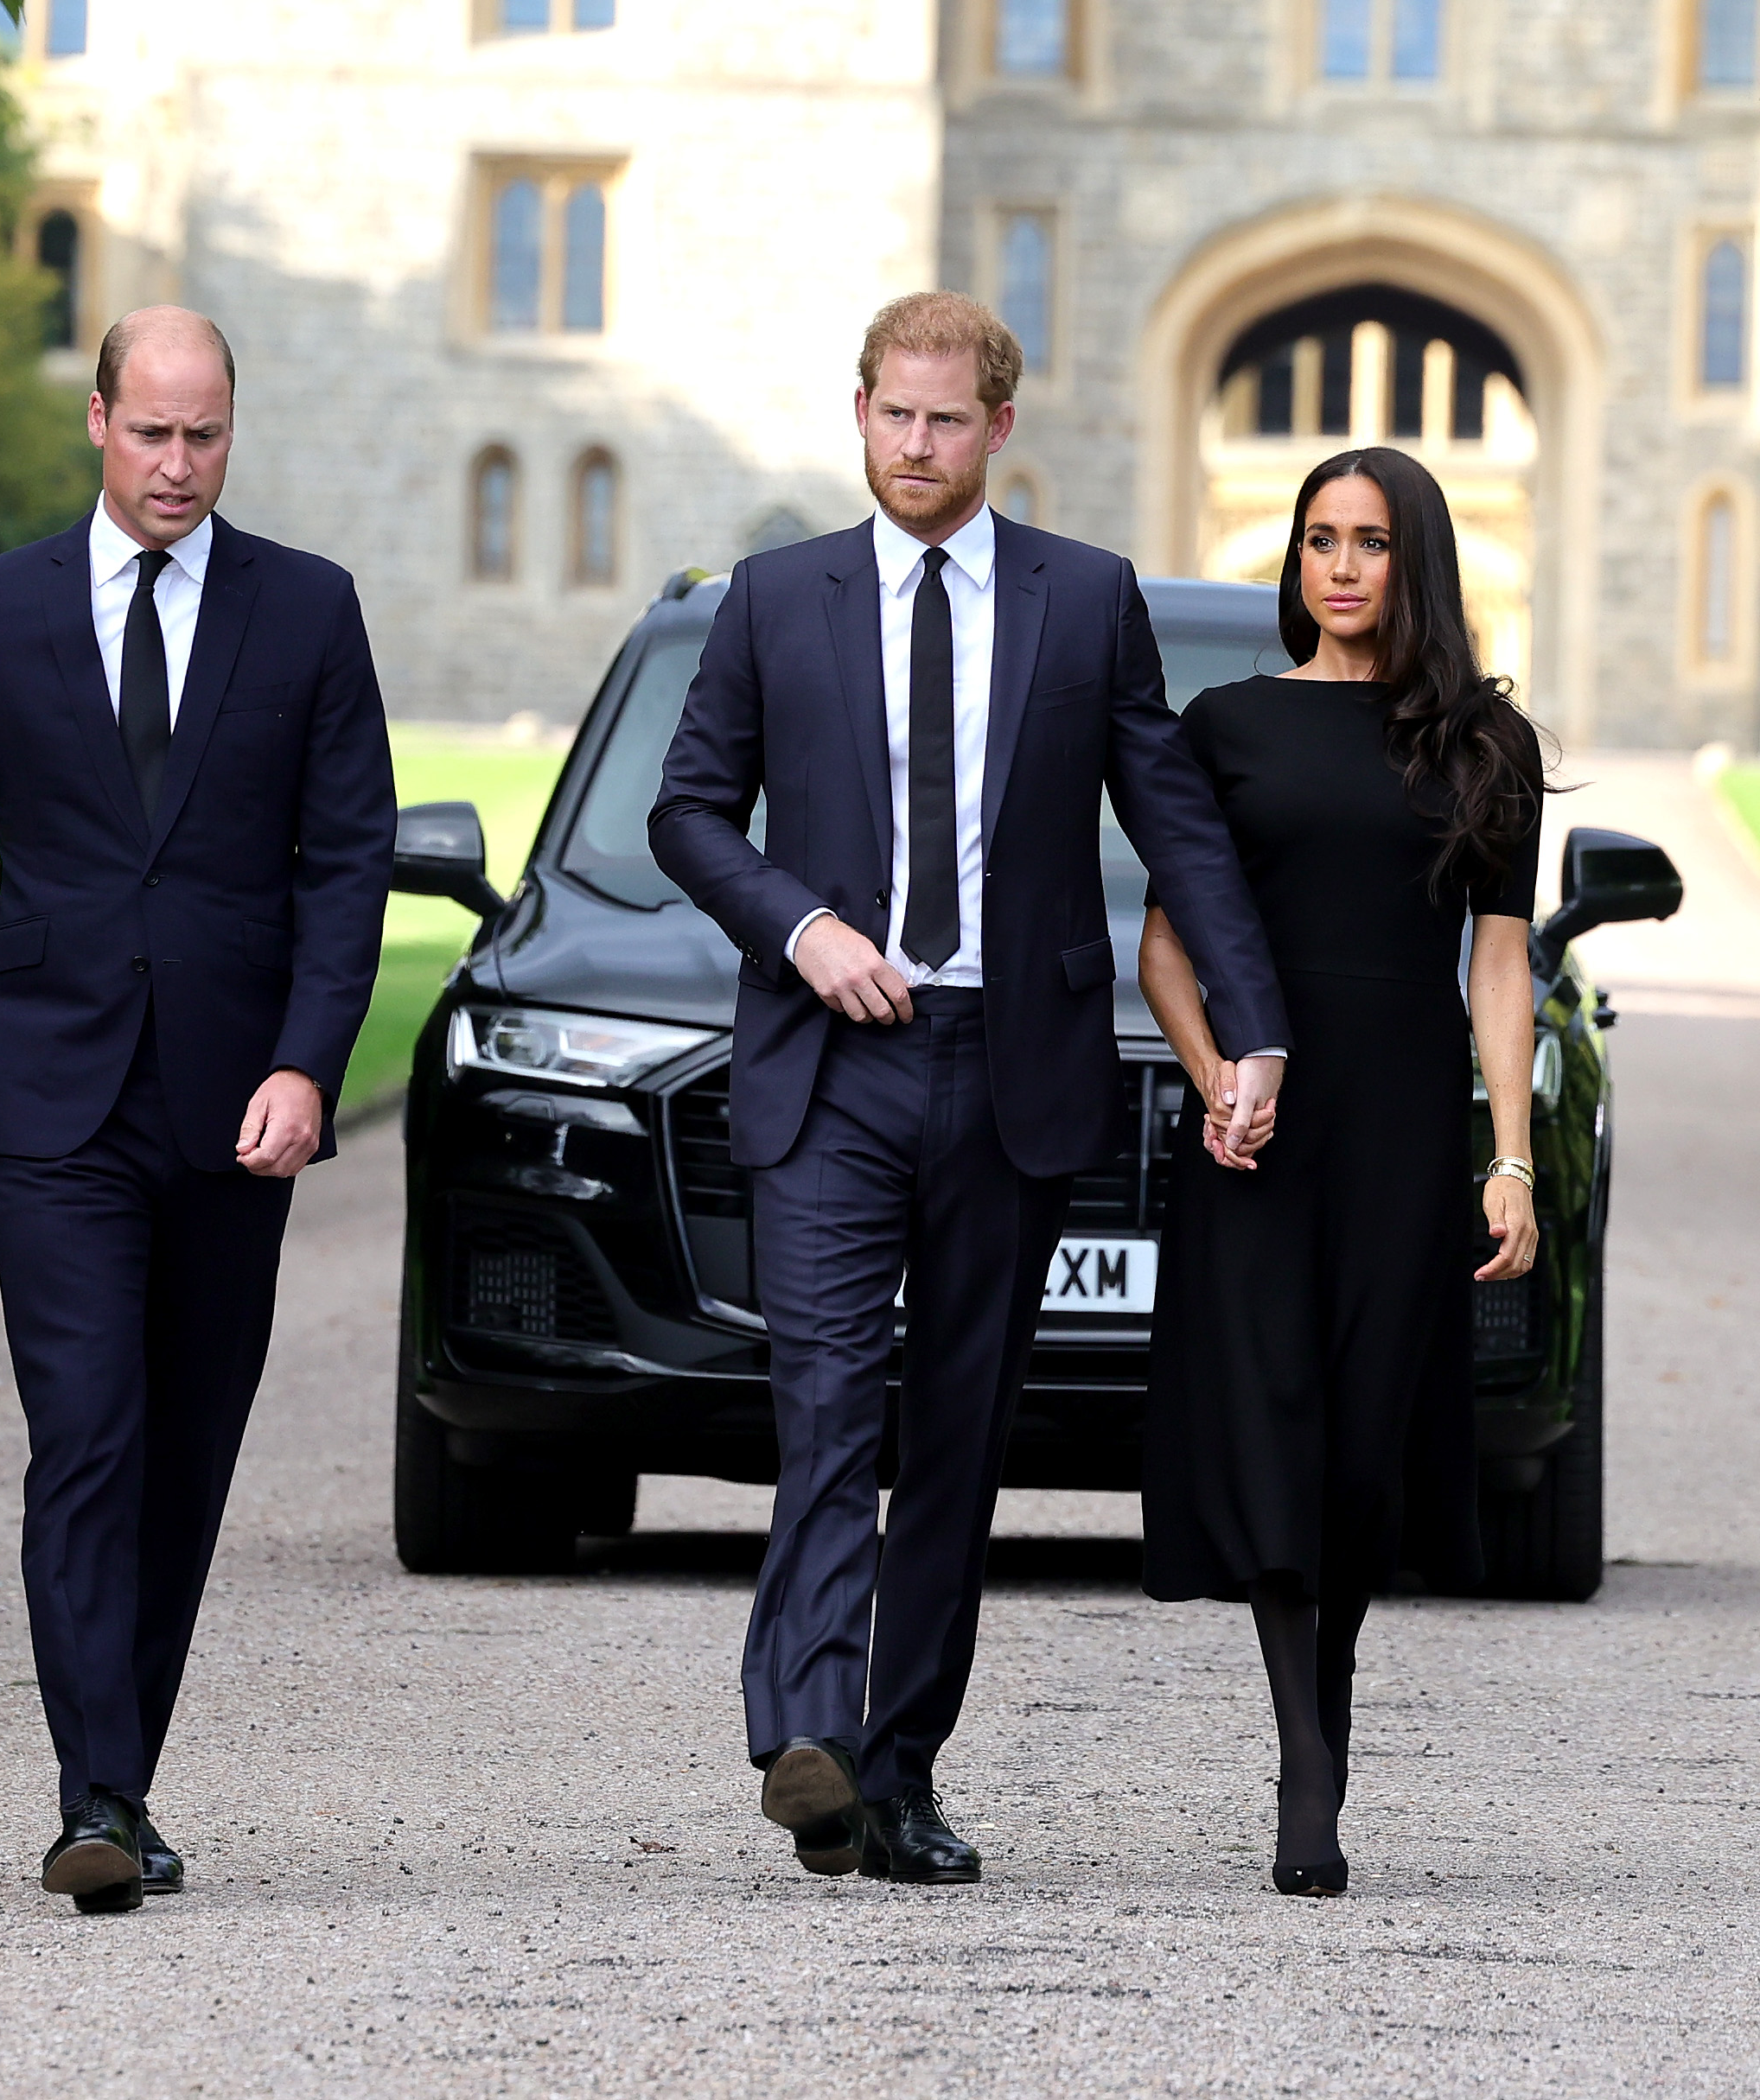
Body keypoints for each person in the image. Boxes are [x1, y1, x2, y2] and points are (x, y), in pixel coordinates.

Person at [649, 292, 1291, 1885]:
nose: (917, 448)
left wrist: (1254, 1022)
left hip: (1015, 1069)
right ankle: (806, 1728)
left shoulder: (1087, 603)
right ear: (856, 410)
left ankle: (900, 1768)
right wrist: (803, 930)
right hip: (833, 1063)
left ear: (1000, 428)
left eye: (947, 422)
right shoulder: (770, 599)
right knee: (825, 1400)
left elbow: (1176, 824)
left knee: (956, 1435)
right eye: (893, 416)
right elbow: (687, 812)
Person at [0, 307, 395, 1915]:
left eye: (206, 435)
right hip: (54, 1096)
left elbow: (350, 858)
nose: (178, 464)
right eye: (151, 432)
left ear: (235, 430)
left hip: (240, 1102)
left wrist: (309, 1059)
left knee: (187, 1449)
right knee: (85, 1432)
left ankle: (124, 1769)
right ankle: (93, 1787)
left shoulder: (308, 609)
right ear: (96, 421)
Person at [1138, 447, 1545, 1898]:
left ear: (1415, 557)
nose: (1344, 565)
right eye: (1320, 539)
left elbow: (1502, 963)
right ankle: (1309, 1760)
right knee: (1274, 1418)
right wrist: (1213, 1081)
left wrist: (1510, 1156)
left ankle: (1331, 1696)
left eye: (1372, 540)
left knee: (1367, 1434)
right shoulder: (1227, 725)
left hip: (1403, 1121)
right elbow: (1171, 941)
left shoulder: (1487, 742)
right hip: (1266, 1125)